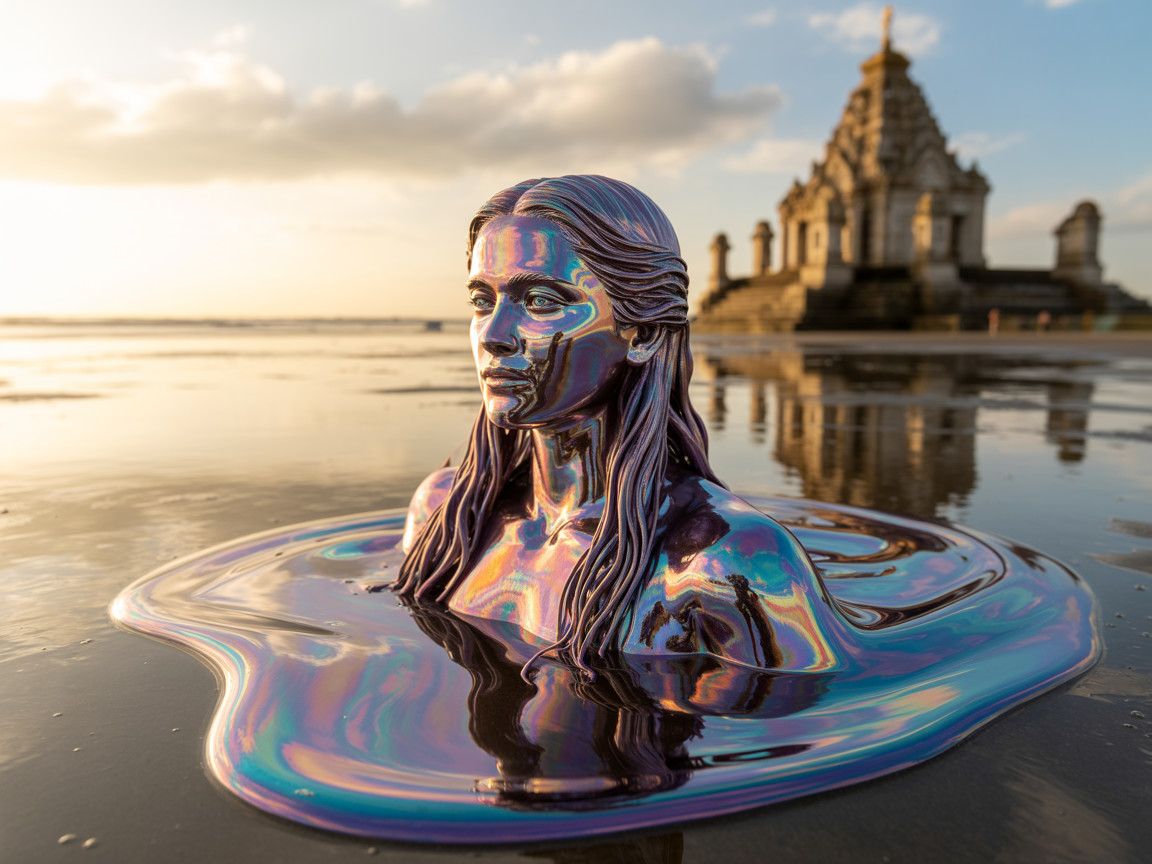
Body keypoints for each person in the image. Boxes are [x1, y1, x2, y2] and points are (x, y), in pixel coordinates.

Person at [393, 175, 856, 676]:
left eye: (541, 302)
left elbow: (815, 724)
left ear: (644, 332)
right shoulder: (441, 515)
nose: (494, 335)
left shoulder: (725, 561)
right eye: (482, 301)